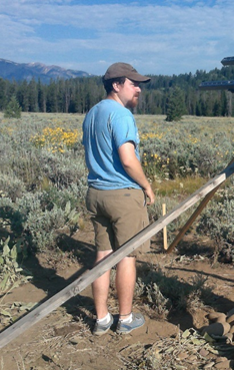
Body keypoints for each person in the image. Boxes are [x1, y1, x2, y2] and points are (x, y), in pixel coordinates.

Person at [82, 62, 155, 335]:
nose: (138, 89)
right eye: (133, 83)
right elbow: (127, 159)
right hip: (123, 195)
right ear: (116, 85)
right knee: (127, 257)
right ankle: (124, 319)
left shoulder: (92, 114)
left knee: (102, 256)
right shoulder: (121, 115)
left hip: (96, 193)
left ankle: (101, 319)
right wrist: (146, 185)